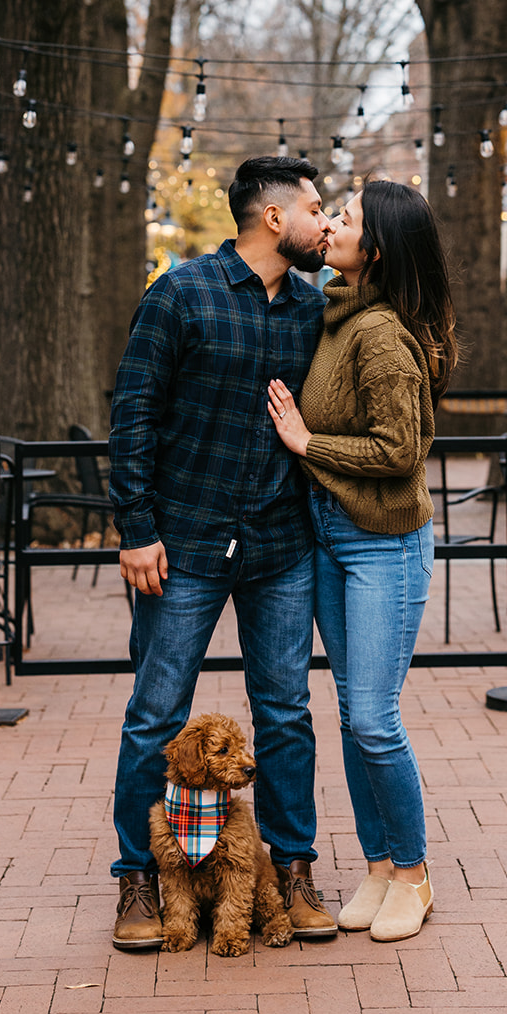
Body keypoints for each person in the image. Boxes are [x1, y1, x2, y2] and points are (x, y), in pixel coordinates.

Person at [108, 156, 338, 950]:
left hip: (280, 544)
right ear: (275, 218)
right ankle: (137, 880)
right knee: (156, 715)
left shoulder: (315, 310)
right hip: (185, 544)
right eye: (316, 208)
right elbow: (133, 411)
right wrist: (136, 526)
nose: (325, 220)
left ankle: (292, 871)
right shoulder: (181, 293)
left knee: (285, 715)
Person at [268, 180, 457, 943]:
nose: (332, 226)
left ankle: (413, 874)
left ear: (373, 248)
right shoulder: (337, 313)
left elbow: (401, 450)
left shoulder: (379, 334)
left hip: (385, 546)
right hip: (333, 537)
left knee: (375, 719)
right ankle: (378, 866)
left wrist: (309, 445)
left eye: (344, 219)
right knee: (352, 718)